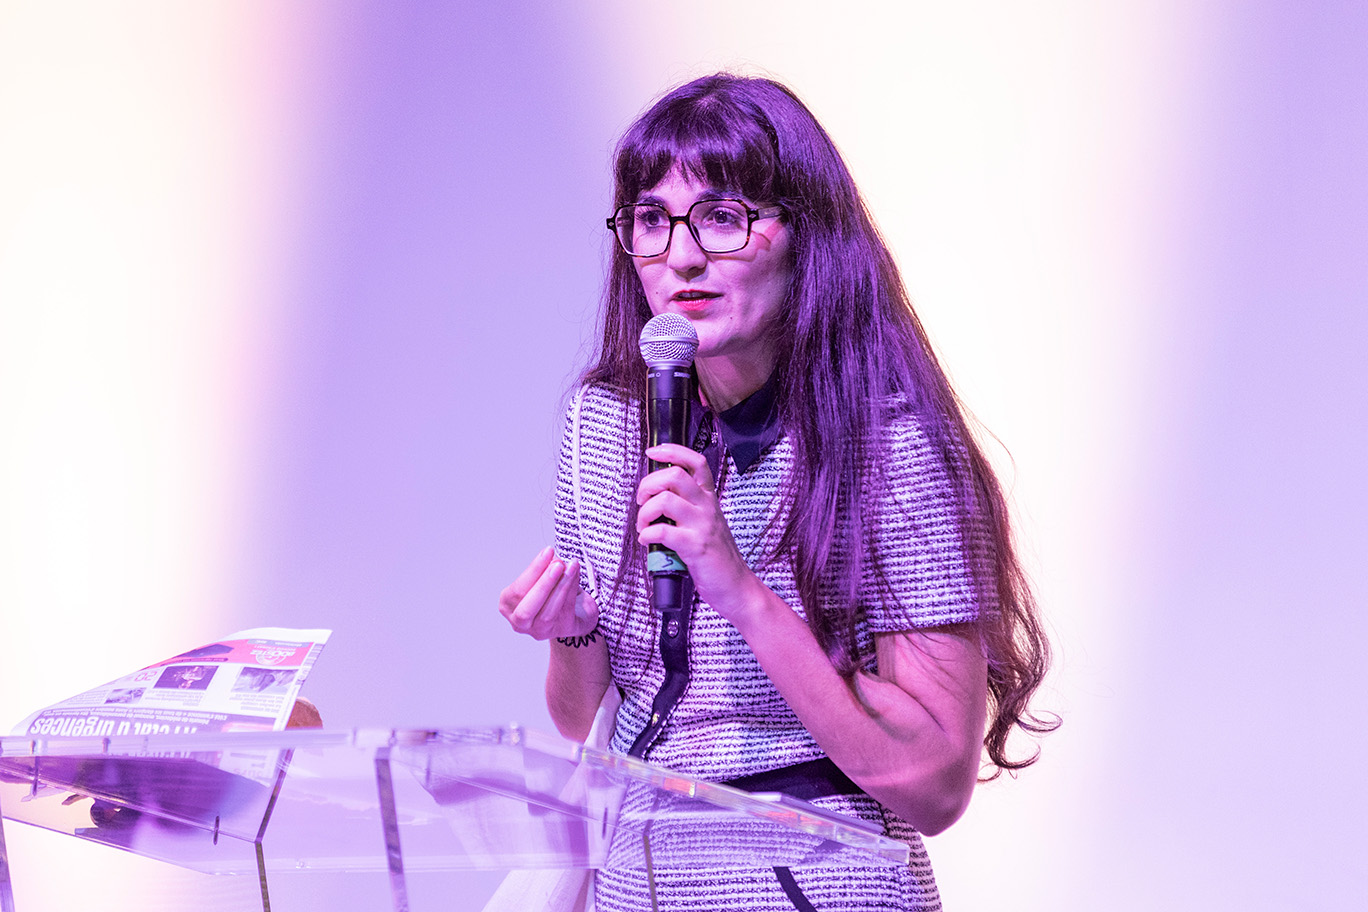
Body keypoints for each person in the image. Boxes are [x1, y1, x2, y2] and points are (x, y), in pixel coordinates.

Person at [499, 73, 1055, 911]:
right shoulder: (604, 424)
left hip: (820, 879)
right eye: (651, 220)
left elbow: (935, 787)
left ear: (806, 235)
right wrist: (573, 635)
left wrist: (739, 590)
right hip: (643, 877)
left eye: (722, 217)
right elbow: (581, 719)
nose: (681, 255)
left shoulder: (895, 446)